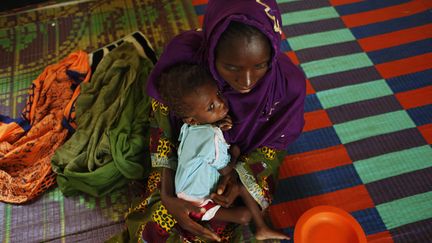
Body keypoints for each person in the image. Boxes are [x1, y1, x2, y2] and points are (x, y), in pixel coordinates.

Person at [108, 0, 305, 242]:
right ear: (212, 52)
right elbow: (163, 130)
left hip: (240, 165)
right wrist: (168, 196)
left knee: (214, 226)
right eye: (231, 67)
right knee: (160, 222)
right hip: (185, 162)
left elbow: (274, 146)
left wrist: (236, 178)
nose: (245, 81)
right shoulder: (184, 62)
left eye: (260, 66)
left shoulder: (288, 85)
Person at [157, 63, 290, 241]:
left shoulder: (188, 127)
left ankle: (260, 227)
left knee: (239, 192)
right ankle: (261, 228)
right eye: (211, 107)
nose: (221, 104)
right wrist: (235, 154)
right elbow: (226, 170)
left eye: (218, 95)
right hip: (197, 202)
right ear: (193, 119)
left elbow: (199, 144)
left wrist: (216, 121)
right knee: (244, 211)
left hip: (182, 190)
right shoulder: (211, 138)